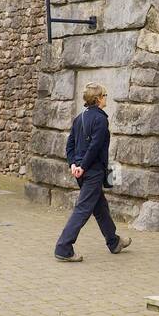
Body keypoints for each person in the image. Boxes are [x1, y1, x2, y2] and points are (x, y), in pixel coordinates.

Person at [54, 82, 130, 262]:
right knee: (83, 209)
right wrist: (83, 166)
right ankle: (63, 248)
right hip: (92, 172)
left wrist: (73, 164)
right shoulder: (101, 120)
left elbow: (70, 145)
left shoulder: (79, 118)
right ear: (97, 99)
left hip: (81, 171)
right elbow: (95, 147)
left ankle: (114, 241)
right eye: (104, 96)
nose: (106, 99)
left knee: (100, 207)